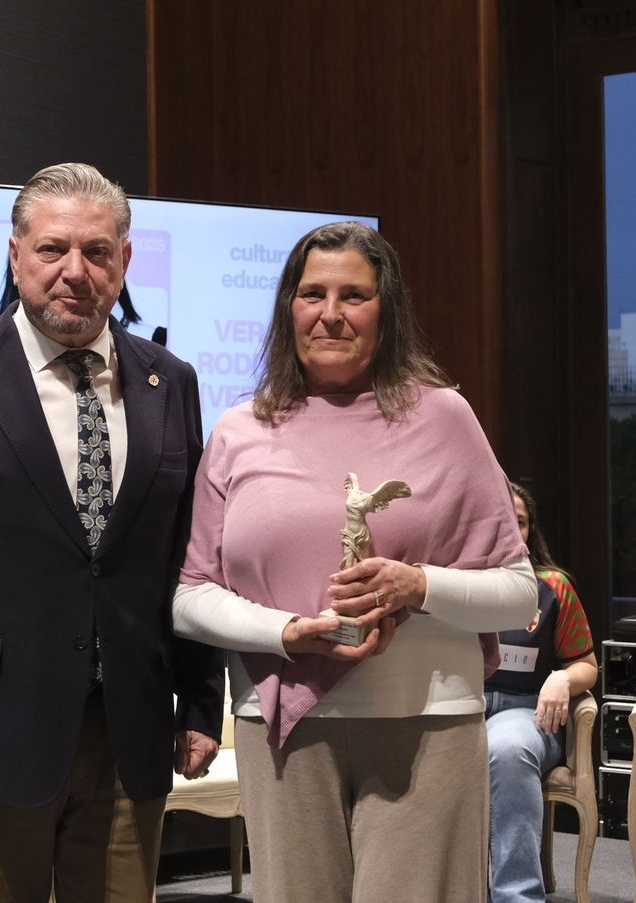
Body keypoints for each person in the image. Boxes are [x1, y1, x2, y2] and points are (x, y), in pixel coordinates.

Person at [0, 162, 225, 903]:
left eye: (97, 251)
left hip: (129, 733)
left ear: (125, 260)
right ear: (16, 254)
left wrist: (198, 701)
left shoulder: (171, 382)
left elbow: (186, 555)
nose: (75, 272)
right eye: (53, 249)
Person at [170, 220, 538, 903]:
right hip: (280, 727)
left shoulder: (445, 417)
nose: (331, 313)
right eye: (313, 293)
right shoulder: (239, 429)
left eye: (354, 296)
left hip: (426, 717)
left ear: (386, 310)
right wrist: (285, 631)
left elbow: (519, 593)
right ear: (289, 307)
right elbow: (191, 595)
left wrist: (417, 585)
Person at [485, 481, 598, 903]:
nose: (511, 530)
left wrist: (562, 679)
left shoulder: (553, 585)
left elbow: (586, 665)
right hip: (462, 707)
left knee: (507, 749)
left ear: (531, 531)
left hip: (525, 713)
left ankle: (517, 897)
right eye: (501, 520)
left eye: (520, 522)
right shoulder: (452, 583)